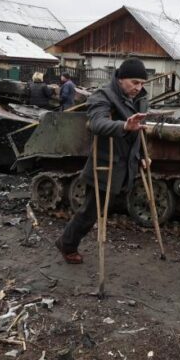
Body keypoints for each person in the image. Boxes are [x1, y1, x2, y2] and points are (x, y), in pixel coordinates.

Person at [55, 58, 150, 264]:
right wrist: (124, 126)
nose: (139, 87)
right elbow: (97, 123)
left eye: (142, 83)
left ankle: (67, 241)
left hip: (126, 164)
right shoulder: (103, 96)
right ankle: (67, 243)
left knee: (99, 210)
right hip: (106, 164)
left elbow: (139, 130)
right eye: (134, 82)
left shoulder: (141, 98)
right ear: (120, 78)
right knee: (91, 212)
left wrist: (143, 155)